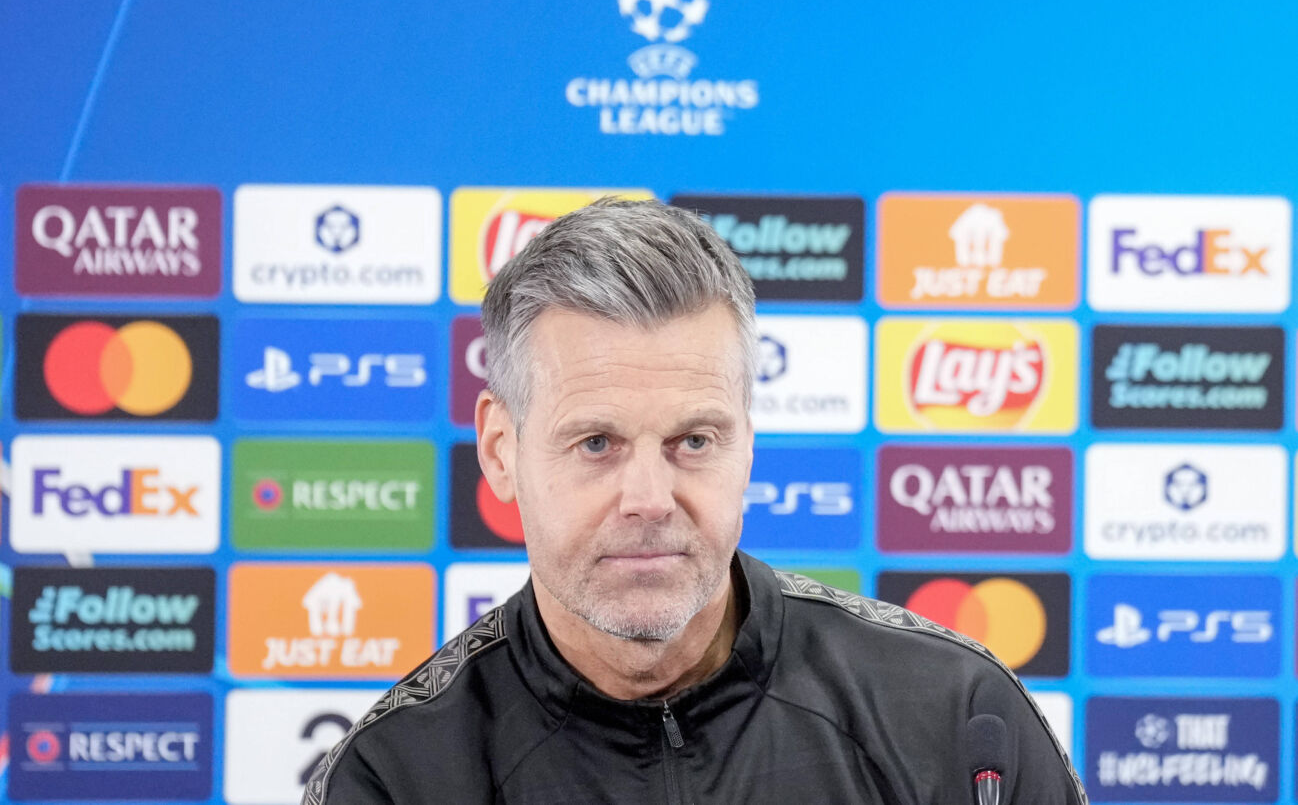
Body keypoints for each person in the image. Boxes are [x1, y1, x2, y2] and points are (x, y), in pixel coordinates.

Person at [303, 198, 1087, 804]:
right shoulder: (396, 775)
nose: (649, 500)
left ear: (747, 442)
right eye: (597, 443)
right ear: (501, 451)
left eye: (694, 441)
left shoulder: (956, 716)